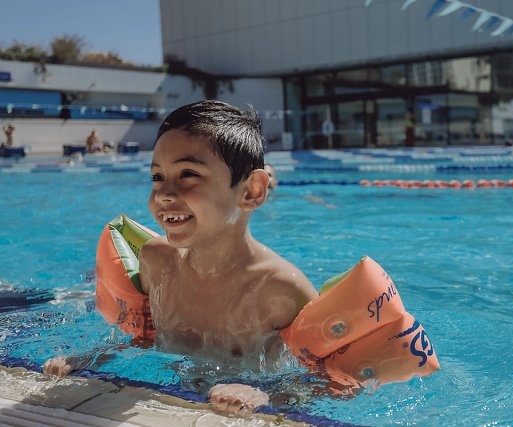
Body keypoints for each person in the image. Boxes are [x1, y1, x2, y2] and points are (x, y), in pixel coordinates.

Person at [44, 100, 319, 414]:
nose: (163, 194)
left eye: (188, 173)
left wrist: (264, 393)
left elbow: (327, 383)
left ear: (251, 191)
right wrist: (94, 357)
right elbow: (145, 339)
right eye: (158, 177)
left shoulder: (281, 290)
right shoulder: (156, 261)